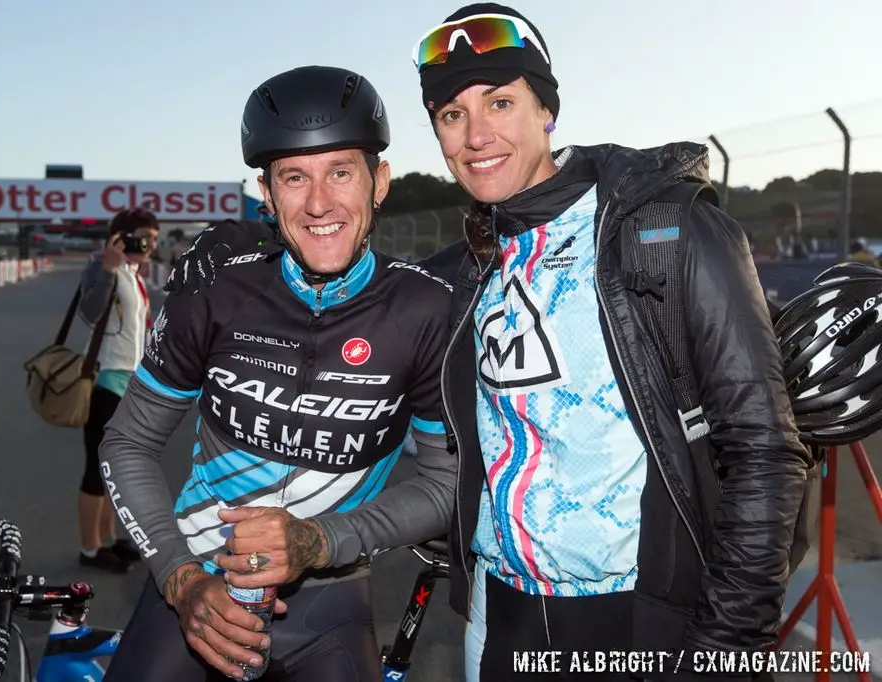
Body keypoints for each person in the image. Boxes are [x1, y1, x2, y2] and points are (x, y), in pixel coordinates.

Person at [409, 5, 813, 681]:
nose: (476, 134)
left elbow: (766, 451)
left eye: (501, 102)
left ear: (547, 111)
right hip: (498, 612)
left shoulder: (668, 228)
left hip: (640, 618)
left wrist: (728, 647)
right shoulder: (465, 268)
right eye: (451, 115)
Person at [99, 65, 456, 681]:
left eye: (341, 172)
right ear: (267, 193)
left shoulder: (426, 311)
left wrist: (319, 540)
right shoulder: (215, 290)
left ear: (381, 182)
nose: (319, 203)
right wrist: (180, 579)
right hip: (196, 581)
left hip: (331, 596)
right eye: (295, 177)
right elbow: (126, 442)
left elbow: (447, 485)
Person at [75, 207, 160, 573]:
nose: (151, 245)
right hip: (105, 380)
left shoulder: (136, 275)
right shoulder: (102, 268)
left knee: (114, 468)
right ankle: (89, 548)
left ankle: (108, 538)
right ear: (121, 238)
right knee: (96, 468)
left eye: (155, 239)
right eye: (144, 237)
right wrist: (108, 268)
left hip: (132, 382)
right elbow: (89, 313)